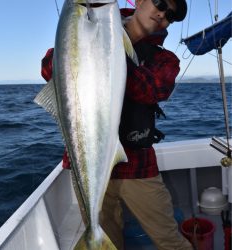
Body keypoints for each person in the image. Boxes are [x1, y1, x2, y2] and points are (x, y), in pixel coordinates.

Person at [41, 0, 193, 249]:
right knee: (107, 234)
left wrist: (107, 50)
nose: (162, 14)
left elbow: (153, 90)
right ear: (140, 1)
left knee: (168, 239)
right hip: (88, 161)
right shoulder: (89, 24)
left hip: (138, 167)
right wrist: (91, 44)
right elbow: (48, 68)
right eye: (160, 3)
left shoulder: (166, 60)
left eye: (171, 15)